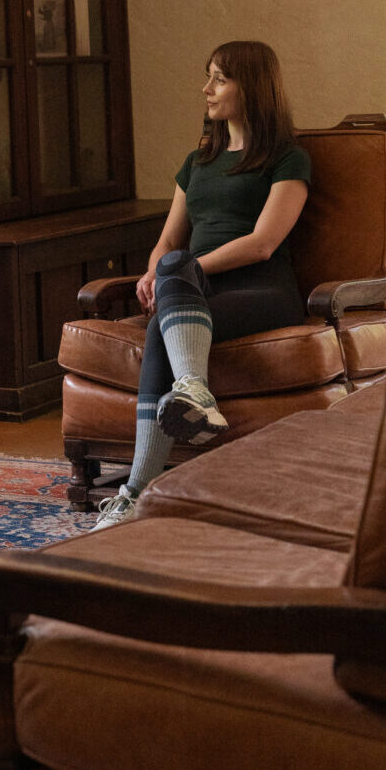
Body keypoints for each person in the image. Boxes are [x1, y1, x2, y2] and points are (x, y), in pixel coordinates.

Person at [93, 39, 310, 529]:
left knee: (169, 291)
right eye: (208, 76)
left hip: (264, 292)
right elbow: (170, 236)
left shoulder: (287, 158)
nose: (206, 88)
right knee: (169, 270)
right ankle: (187, 405)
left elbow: (262, 243)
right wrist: (155, 271)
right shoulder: (198, 161)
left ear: (250, 87)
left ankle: (135, 490)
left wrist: (186, 269)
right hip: (196, 288)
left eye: (218, 78)